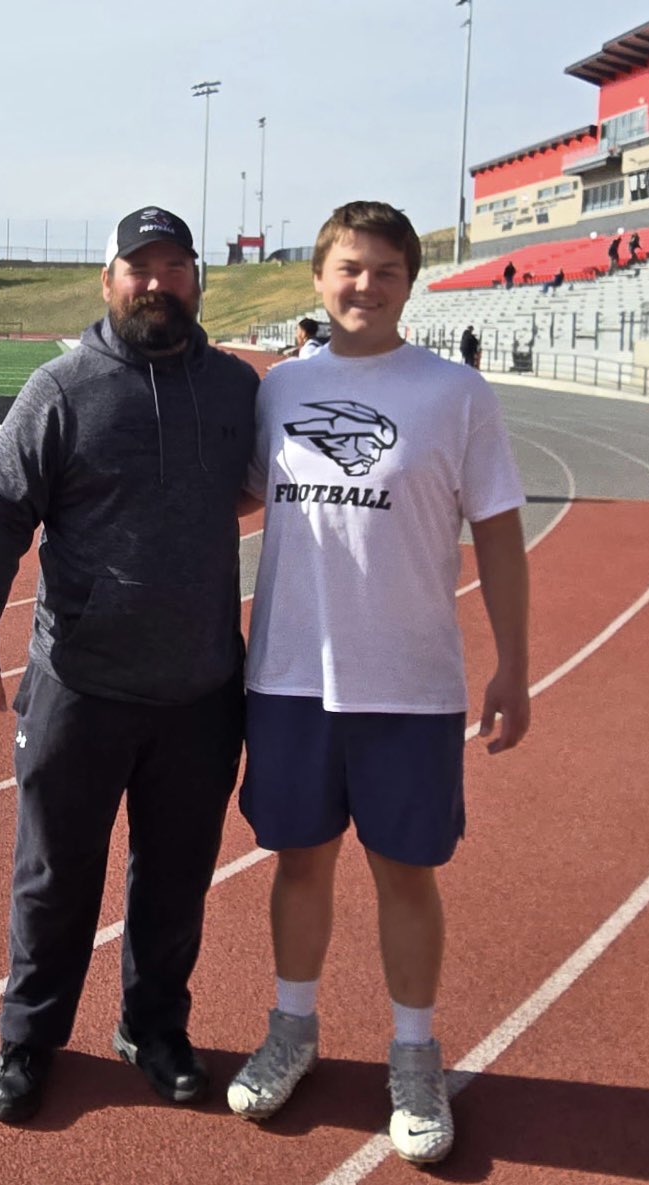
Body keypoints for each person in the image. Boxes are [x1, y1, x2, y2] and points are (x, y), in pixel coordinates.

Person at [227, 201, 530, 1165]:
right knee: (299, 861)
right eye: (349, 268)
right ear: (318, 278)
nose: (366, 285)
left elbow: (499, 531)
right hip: (287, 675)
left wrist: (515, 663)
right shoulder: (277, 390)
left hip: (410, 684)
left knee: (407, 873)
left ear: (412, 281)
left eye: (386, 269)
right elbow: (226, 497)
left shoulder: (456, 394)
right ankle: (294, 1027)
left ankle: (413, 1053)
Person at [0, 205, 258, 1124]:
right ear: (108, 279)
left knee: (176, 877)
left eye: (173, 266)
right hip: (79, 685)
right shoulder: (61, 389)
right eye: (139, 267)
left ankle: (154, 1028)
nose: (157, 283)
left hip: (201, 690)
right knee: (54, 874)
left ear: (197, 279)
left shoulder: (239, 390)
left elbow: (263, 487)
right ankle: (29, 1036)